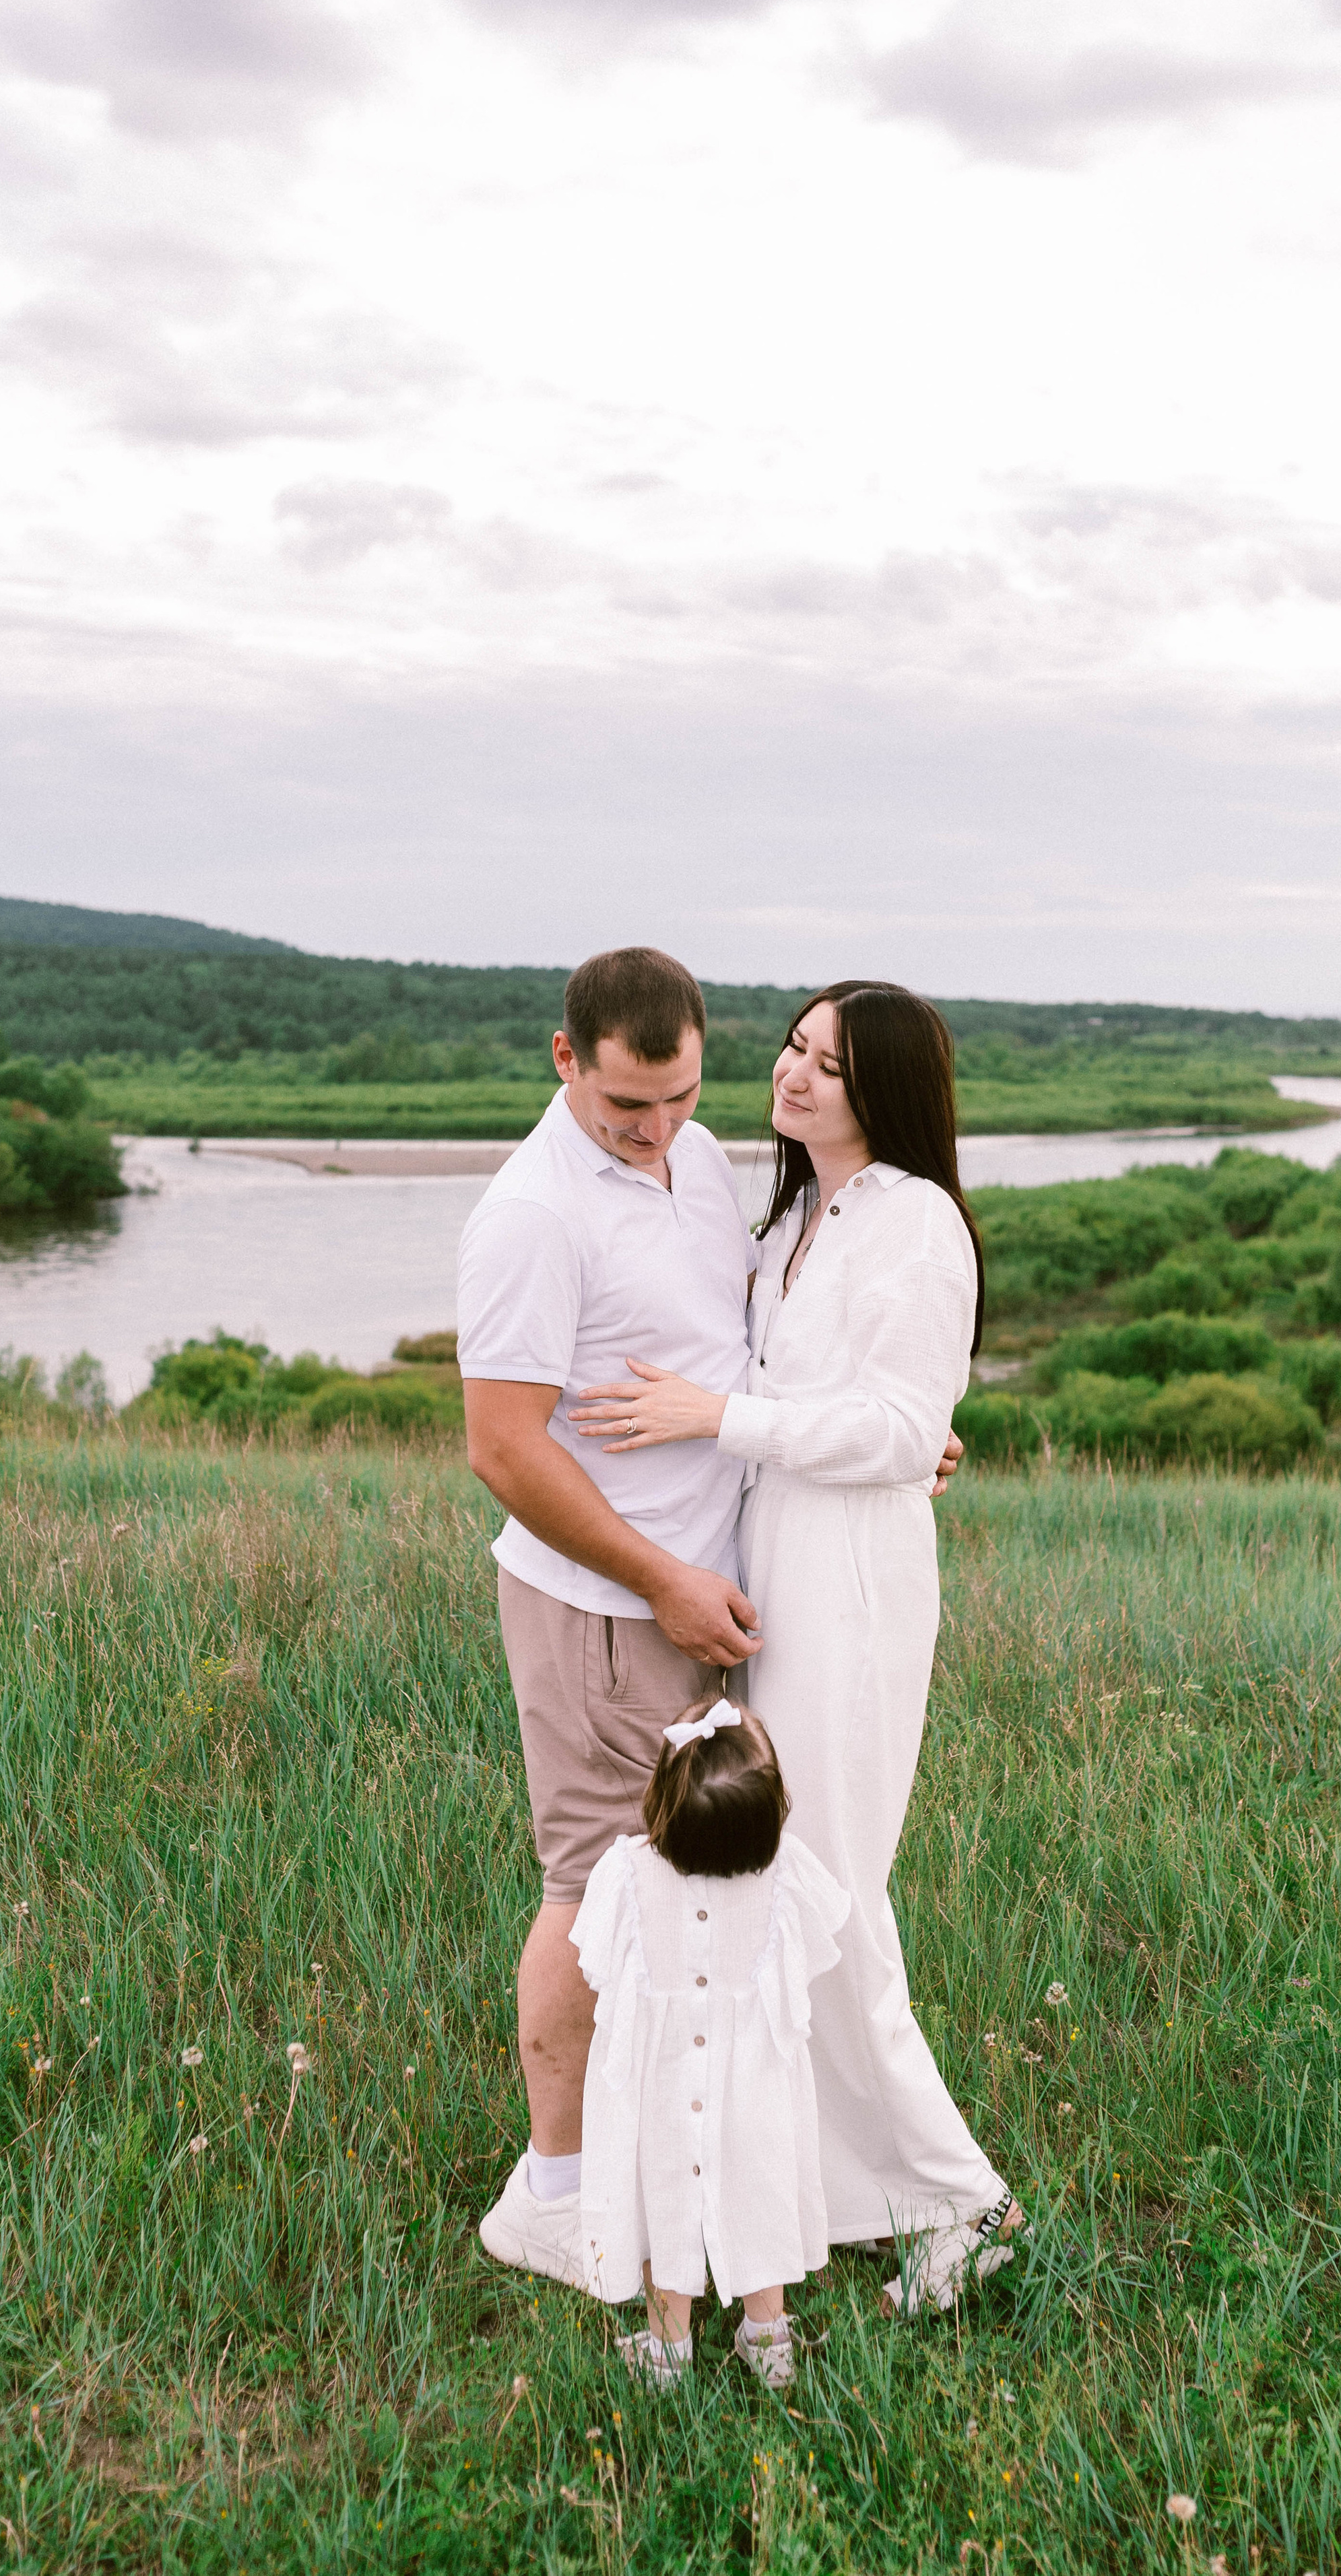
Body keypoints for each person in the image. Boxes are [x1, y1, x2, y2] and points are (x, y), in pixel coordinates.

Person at [568, 981, 1020, 2315]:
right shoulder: (791, 1218)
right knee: (787, 1894)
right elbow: (842, 1408)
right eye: (792, 1047)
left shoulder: (916, 1226)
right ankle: (844, 2192)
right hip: (775, 1574)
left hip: (854, 1590)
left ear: (885, 1088)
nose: (795, 1074)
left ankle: (960, 2199)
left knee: (828, 1896)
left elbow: (891, 1428)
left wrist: (720, 1417)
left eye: (829, 1062)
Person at [456, 946, 762, 2288]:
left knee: (693, 1895)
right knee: (593, 1893)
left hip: (700, 1593)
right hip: (602, 1607)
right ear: (565, 1058)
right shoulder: (529, 1215)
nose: (652, 1130)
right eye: (626, 1105)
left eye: (679, 1097)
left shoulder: (700, 1164)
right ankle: (554, 2195)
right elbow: (505, 1450)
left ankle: (672, 2167)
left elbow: (732, 1349)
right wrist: (659, 1583)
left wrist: (878, 1441)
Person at [571, 1697, 848, 2389]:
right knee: (759, 2189)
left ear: (661, 1799)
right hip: (754, 2089)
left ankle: (669, 2344)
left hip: (657, 2091)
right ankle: (767, 2334)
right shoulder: (788, 1876)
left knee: (662, 2196)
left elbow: (595, 1969)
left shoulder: (626, 1876)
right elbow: (815, 1959)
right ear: (770, 1814)